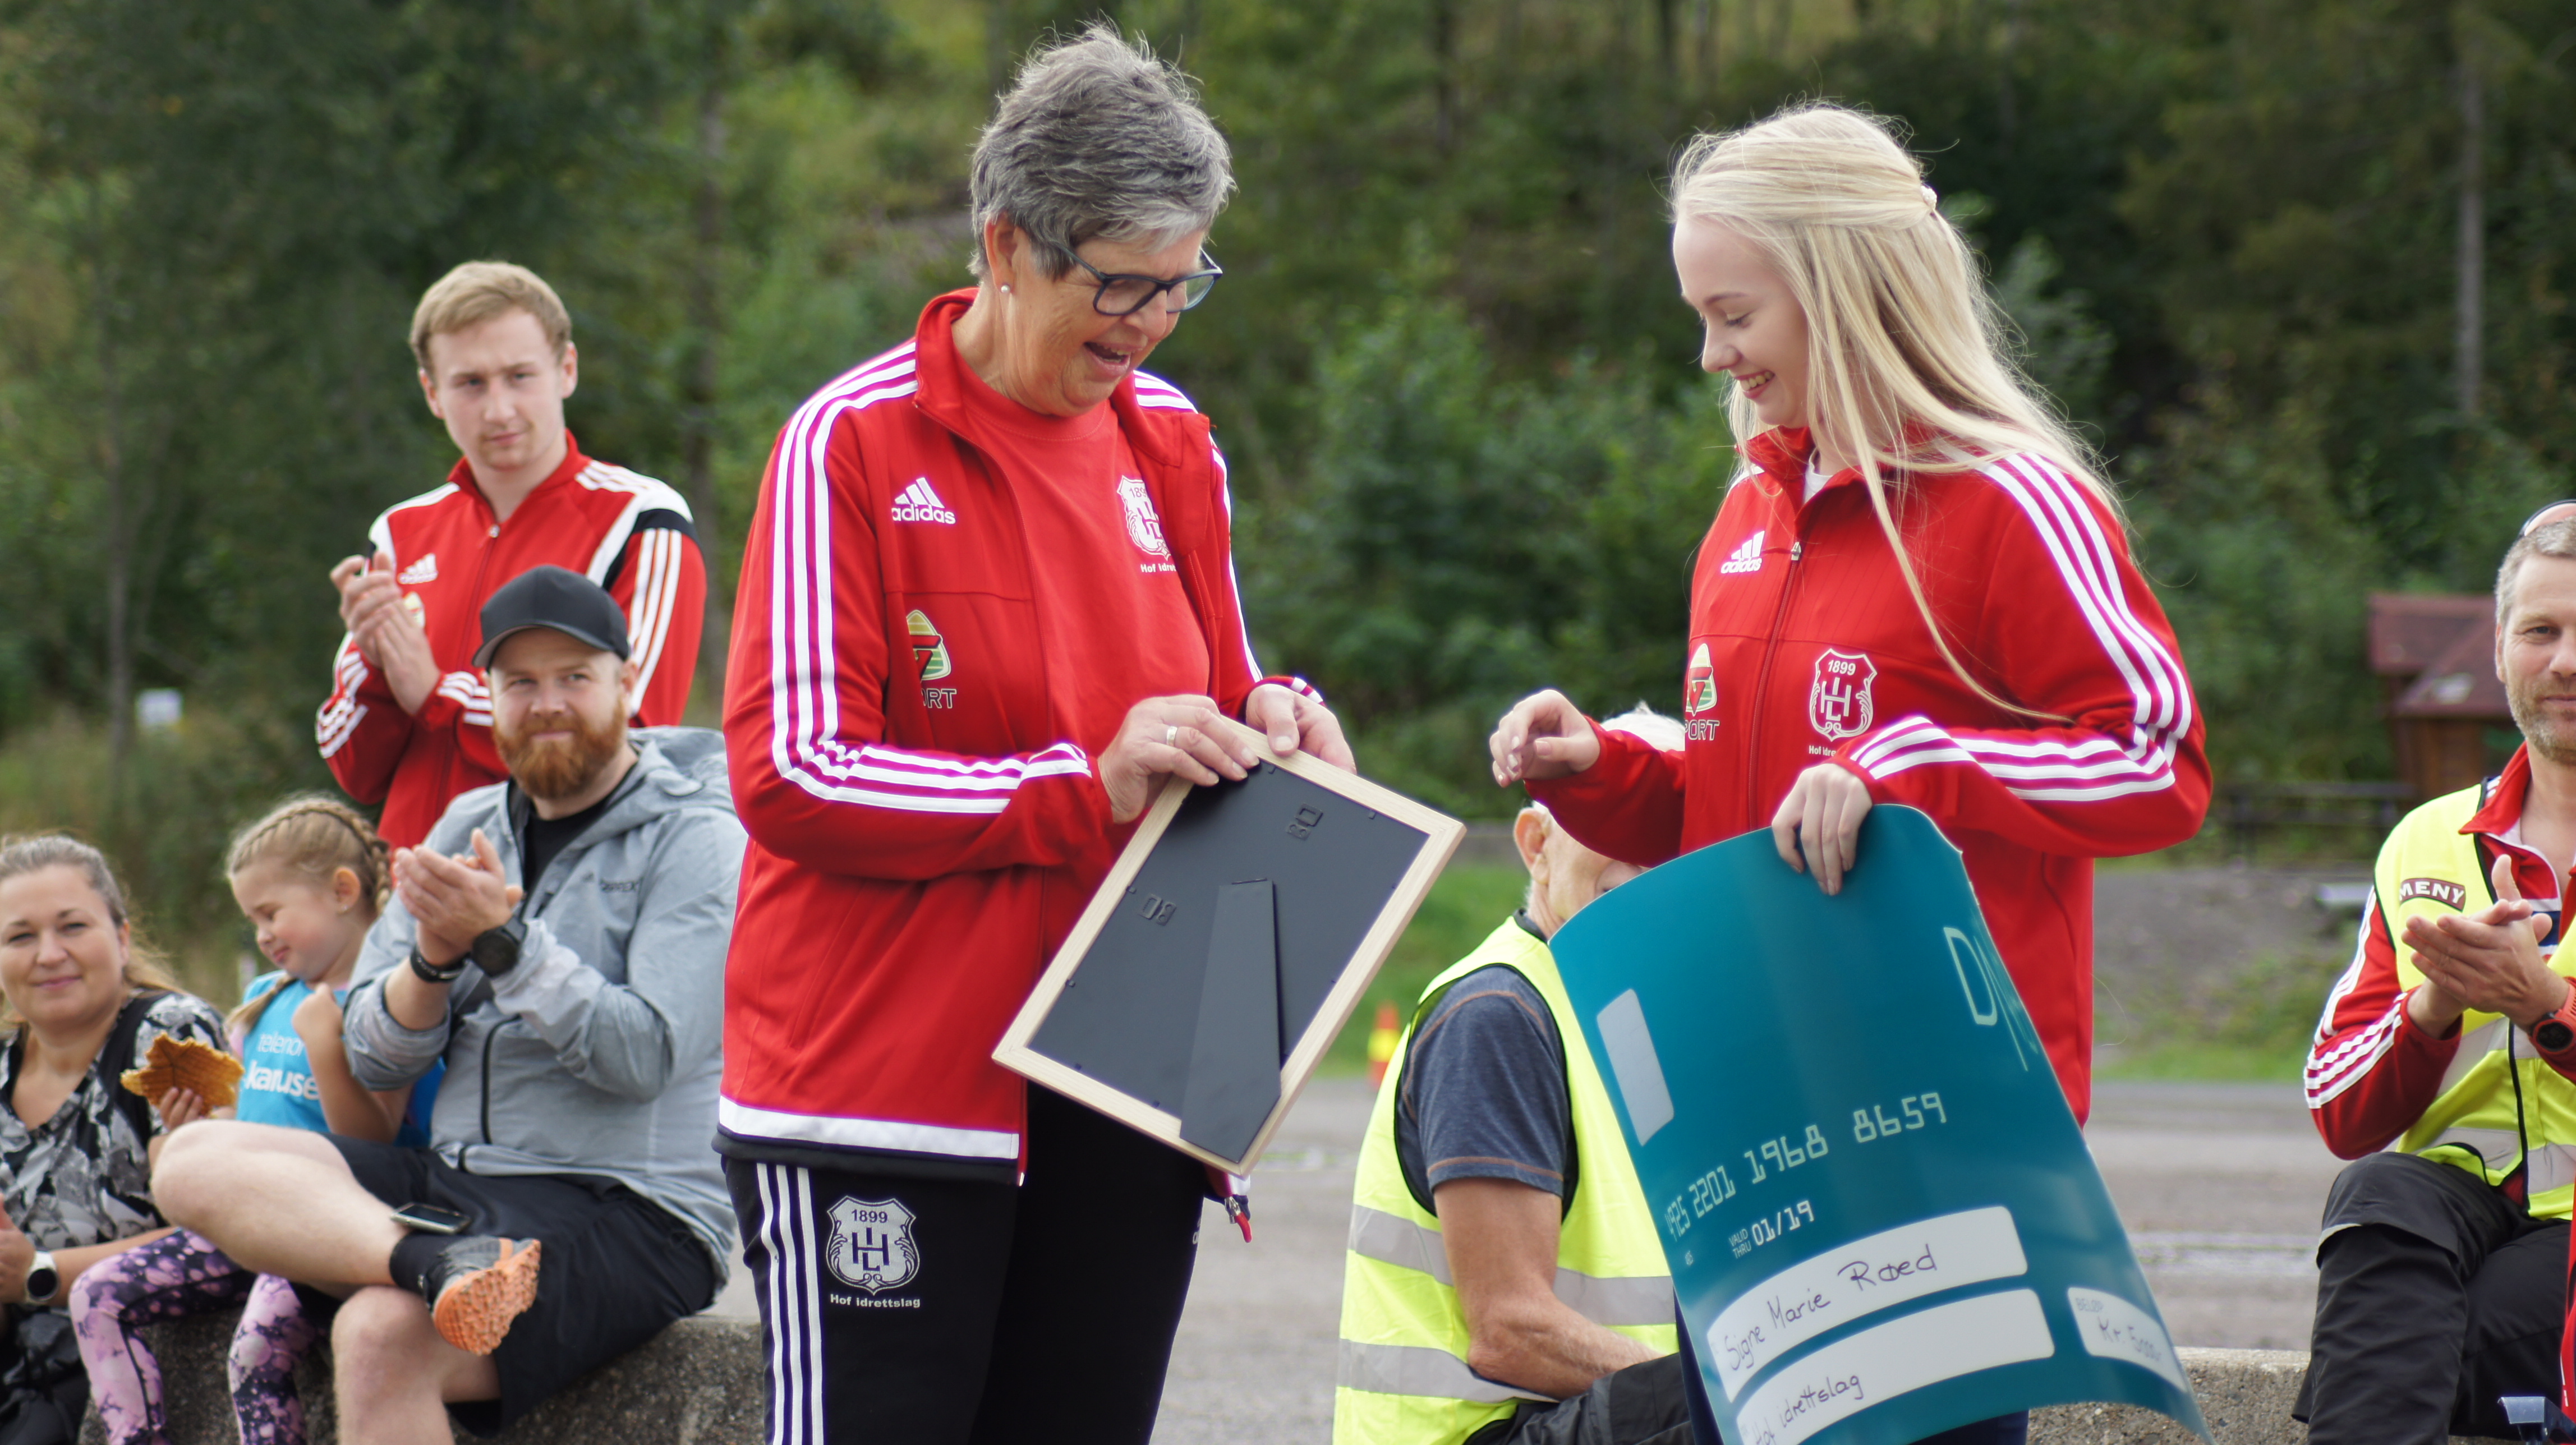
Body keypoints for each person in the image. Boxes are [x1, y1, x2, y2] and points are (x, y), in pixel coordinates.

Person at [1486, 104, 2209, 1445]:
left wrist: (1915, 765)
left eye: (1735, 315)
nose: (1713, 356)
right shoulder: (1745, 512)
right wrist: (1602, 768)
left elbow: (2157, 764)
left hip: (1944, 1135)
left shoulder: (2015, 499)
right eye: (1701, 318)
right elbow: (1737, 811)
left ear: (1849, 290)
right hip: (1752, 1121)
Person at [717, 24, 1348, 1445]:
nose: (1148, 325)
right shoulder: (850, 442)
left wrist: (1278, 716)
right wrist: (1083, 783)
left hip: (1132, 1082)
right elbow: (791, 773)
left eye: (1181, 286)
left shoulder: (1173, 438)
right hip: (888, 1099)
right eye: (1118, 284)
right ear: (1006, 245)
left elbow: (1226, 684)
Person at [155, 565, 742, 1440]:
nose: (548, 703)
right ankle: (437, 1266)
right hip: (466, 1189)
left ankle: (438, 1270)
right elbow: (373, 1056)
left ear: (626, 683)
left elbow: (643, 1058)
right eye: (521, 682)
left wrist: (504, 945)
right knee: (192, 1158)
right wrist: (430, 962)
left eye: (574, 677)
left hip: (634, 1207)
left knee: (378, 1335)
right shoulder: (468, 823)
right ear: (491, 698)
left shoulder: (700, 836)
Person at [1339, 709, 1695, 1445]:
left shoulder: (1638, 1012)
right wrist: (1723, 1393)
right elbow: (1510, 1330)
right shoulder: (1497, 1015)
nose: (1647, 859)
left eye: (1673, 833)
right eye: (1617, 821)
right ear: (1536, 845)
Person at [2295, 518, 2576, 1443]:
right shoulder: (2425, 838)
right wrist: (2433, 1004)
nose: (2566, 662)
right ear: (2498, 650)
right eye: (2540, 632)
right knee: (2378, 1190)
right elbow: (2340, 1114)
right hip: (2460, 1206)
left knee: (2390, 1351)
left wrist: (2546, 1007)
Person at [70, 797, 434, 1445]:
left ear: (342, 891)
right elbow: (243, 1115)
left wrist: (325, 1043)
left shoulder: (390, 1003)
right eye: (251, 919)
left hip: (324, 1231)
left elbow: (372, 1140)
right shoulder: (266, 994)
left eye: (271, 912)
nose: (262, 933)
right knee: (96, 1295)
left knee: (255, 1351)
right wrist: (198, 1123)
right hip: (243, 1218)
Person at [317, 260, 707, 850]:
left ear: (566, 370)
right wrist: (374, 667)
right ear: (432, 393)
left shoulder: (642, 519)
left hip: (564, 887)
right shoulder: (400, 533)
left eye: (519, 376)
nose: (498, 410)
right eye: (470, 383)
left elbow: (635, 736)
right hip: (409, 887)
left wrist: (438, 695)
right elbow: (355, 771)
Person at [0, 836, 228, 1443]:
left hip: (147, 1360)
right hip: (22, 1368)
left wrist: (39, 1273)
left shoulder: (172, 1036)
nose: (50, 954)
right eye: (20, 936)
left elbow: (223, 1230)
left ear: (122, 938)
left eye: (73, 926)